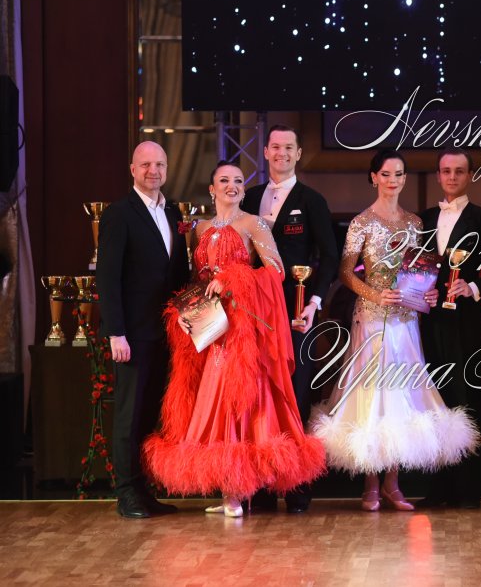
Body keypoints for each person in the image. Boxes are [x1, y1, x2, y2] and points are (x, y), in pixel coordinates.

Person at [143, 162, 327, 517]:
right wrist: (186, 312)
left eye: (239, 181)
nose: (232, 186)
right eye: (224, 180)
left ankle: (236, 493)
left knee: (236, 401)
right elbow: (197, 279)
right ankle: (230, 489)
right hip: (211, 328)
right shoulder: (199, 229)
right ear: (211, 189)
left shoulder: (254, 224)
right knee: (211, 402)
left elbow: (275, 270)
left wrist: (233, 278)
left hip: (241, 328)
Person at [310, 150, 478, 512]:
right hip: (371, 320)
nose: (393, 180)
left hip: (406, 322)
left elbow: (419, 272)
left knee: (403, 398)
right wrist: (374, 294)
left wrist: (428, 294)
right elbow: (345, 273)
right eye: (386, 174)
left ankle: (392, 483)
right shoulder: (361, 222)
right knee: (372, 398)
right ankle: (370, 484)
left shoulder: (415, 223)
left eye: (399, 174)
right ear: (374, 177)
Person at [242, 124, 339, 513]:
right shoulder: (248, 197)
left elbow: (329, 256)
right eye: (275, 146)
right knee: (259, 397)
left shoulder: (311, 200)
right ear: (265, 152)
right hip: (254, 315)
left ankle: (297, 486)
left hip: (297, 314)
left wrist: (315, 300)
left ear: (298, 154)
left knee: (295, 396)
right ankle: (263, 486)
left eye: (289, 147)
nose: (281, 153)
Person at [96, 141, 190, 519]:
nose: (154, 171)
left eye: (160, 164)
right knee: (129, 415)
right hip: (132, 335)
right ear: (133, 169)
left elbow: (177, 275)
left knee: (151, 414)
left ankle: (145, 490)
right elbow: (108, 277)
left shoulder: (173, 211)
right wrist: (115, 332)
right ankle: (126, 493)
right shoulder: (119, 214)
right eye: (146, 164)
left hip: (166, 333)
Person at [416, 151, 481, 509]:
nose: (452, 177)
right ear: (438, 175)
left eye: (459, 171)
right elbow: (416, 266)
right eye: (446, 171)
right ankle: (439, 487)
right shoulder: (425, 218)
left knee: (468, 397)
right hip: (431, 321)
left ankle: (469, 488)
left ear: (469, 175)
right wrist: (422, 290)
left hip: (466, 319)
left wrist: (471, 286)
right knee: (436, 398)